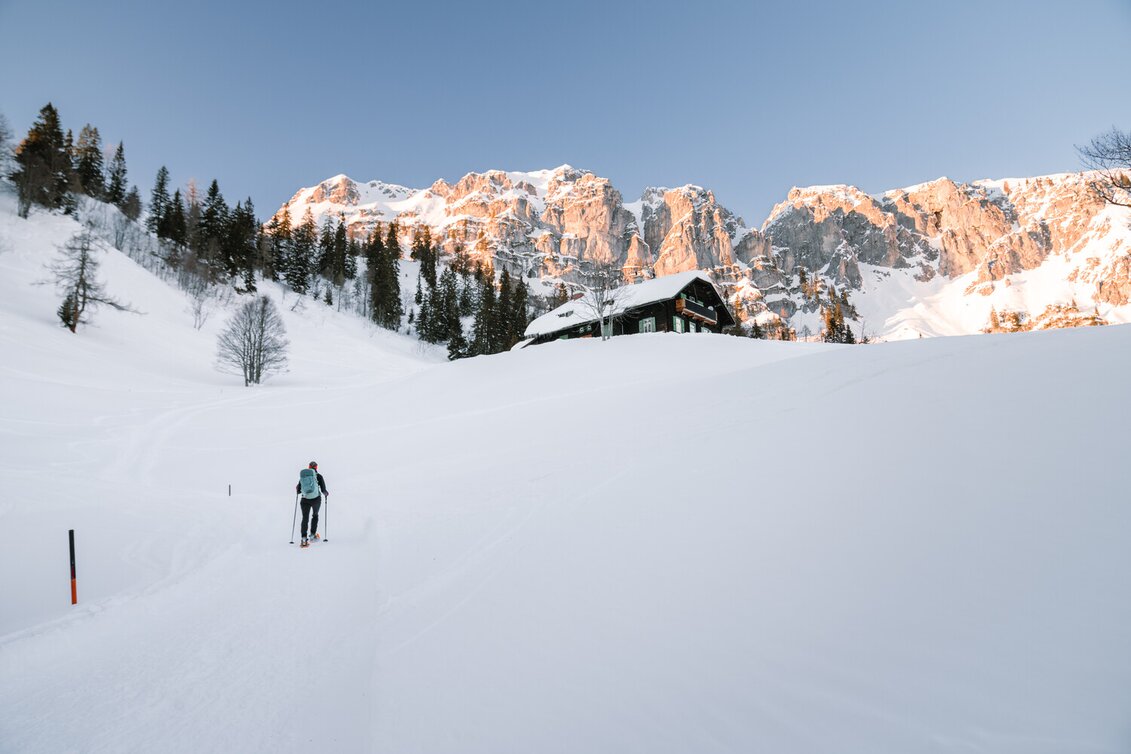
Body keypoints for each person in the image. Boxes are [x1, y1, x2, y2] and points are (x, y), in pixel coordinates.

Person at [296, 461, 328, 548]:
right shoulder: (319, 476)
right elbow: (323, 490)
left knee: (305, 518)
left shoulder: (303, 477)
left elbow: (298, 490)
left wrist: (297, 489)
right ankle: (313, 536)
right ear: (316, 468)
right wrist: (326, 494)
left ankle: (303, 538)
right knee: (315, 515)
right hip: (316, 499)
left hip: (304, 499)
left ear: (309, 467)